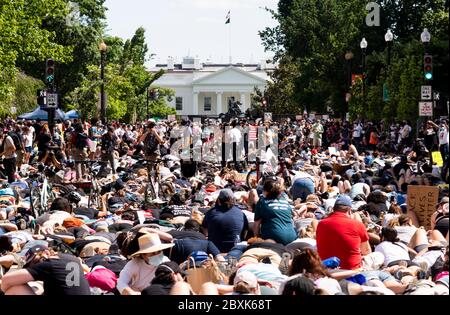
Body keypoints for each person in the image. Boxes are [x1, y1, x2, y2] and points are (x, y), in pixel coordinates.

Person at [0, 244, 91, 295]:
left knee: (17, 287)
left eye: (34, 262)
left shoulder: (49, 264)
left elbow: (6, 280)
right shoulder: (72, 259)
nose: (33, 266)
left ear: (46, 252)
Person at [316, 195, 372, 270]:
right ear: (349, 211)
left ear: (333, 209)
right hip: (351, 269)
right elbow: (366, 251)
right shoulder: (357, 224)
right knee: (378, 256)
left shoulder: (321, 224)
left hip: (327, 269)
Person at [253, 179, 297, 245]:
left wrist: (256, 239)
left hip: (274, 238)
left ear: (266, 191)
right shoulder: (284, 201)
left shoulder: (261, 202)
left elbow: (256, 225)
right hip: (292, 237)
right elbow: (294, 214)